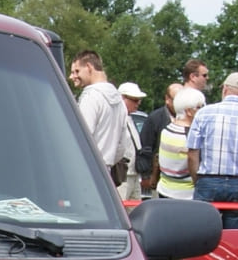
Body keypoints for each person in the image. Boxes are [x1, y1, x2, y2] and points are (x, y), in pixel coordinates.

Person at [186, 71, 238, 229]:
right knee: (234, 240)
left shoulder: (204, 113)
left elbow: (192, 153)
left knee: (201, 236)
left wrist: (198, 180)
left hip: (208, 180)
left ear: (224, 89)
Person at [69, 50, 128, 182]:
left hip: (85, 171)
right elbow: (122, 145)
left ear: (89, 67)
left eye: (76, 71)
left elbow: (81, 139)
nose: (72, 77)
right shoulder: (119, 100)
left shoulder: (90, 97)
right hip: (106, 172)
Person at [156, 87, 205, 199]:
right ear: (188, 111)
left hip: (164, 189)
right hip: (185, 193)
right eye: (199, 107)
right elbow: (193, 161)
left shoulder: (166, 129)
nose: (202, 110)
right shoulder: (191, 135)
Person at [138, 83, 183, 196]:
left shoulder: (188, 118)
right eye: (177, 100)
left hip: (182, 178)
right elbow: (145, 147)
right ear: (167, 99)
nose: (180, 104)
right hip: (160, 178)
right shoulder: (155, 118)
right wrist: (146, 176)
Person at [116, 81, 146, 200]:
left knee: (135, 211)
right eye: (134, 99)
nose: (138, 103)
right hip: (123, 174)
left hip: (134, 173)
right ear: (122, 98)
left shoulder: (129, 118)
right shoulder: (117, 118)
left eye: (139, 100)